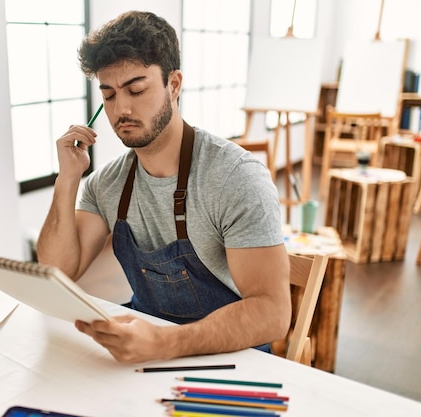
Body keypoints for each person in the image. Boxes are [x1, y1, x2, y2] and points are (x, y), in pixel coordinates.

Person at [36, 10, 290, 364]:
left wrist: (167, 342)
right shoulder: (106, 185)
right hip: (143, 349)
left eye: (136, 89)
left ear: (174, 84)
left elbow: (272, 313)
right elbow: (58, 272)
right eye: (108, 95)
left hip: (231, 358)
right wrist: (67, 180)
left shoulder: (235, 177)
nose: (121, 108)